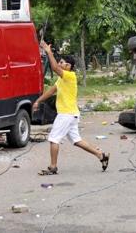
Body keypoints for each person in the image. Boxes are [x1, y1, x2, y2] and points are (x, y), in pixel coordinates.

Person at [33, 40, 109, 175]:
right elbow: (51, 91)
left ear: (69, 66)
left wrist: (48, 52)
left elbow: (55, 68)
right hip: (71, 114)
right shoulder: (62, 79)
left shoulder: (70, 76)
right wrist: (38, 101)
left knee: (53, 139)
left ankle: (53, 167)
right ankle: (101, 155)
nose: (60, 64)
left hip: (66, 114)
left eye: (62, 62)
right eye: (60, 62)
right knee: (76, 140)